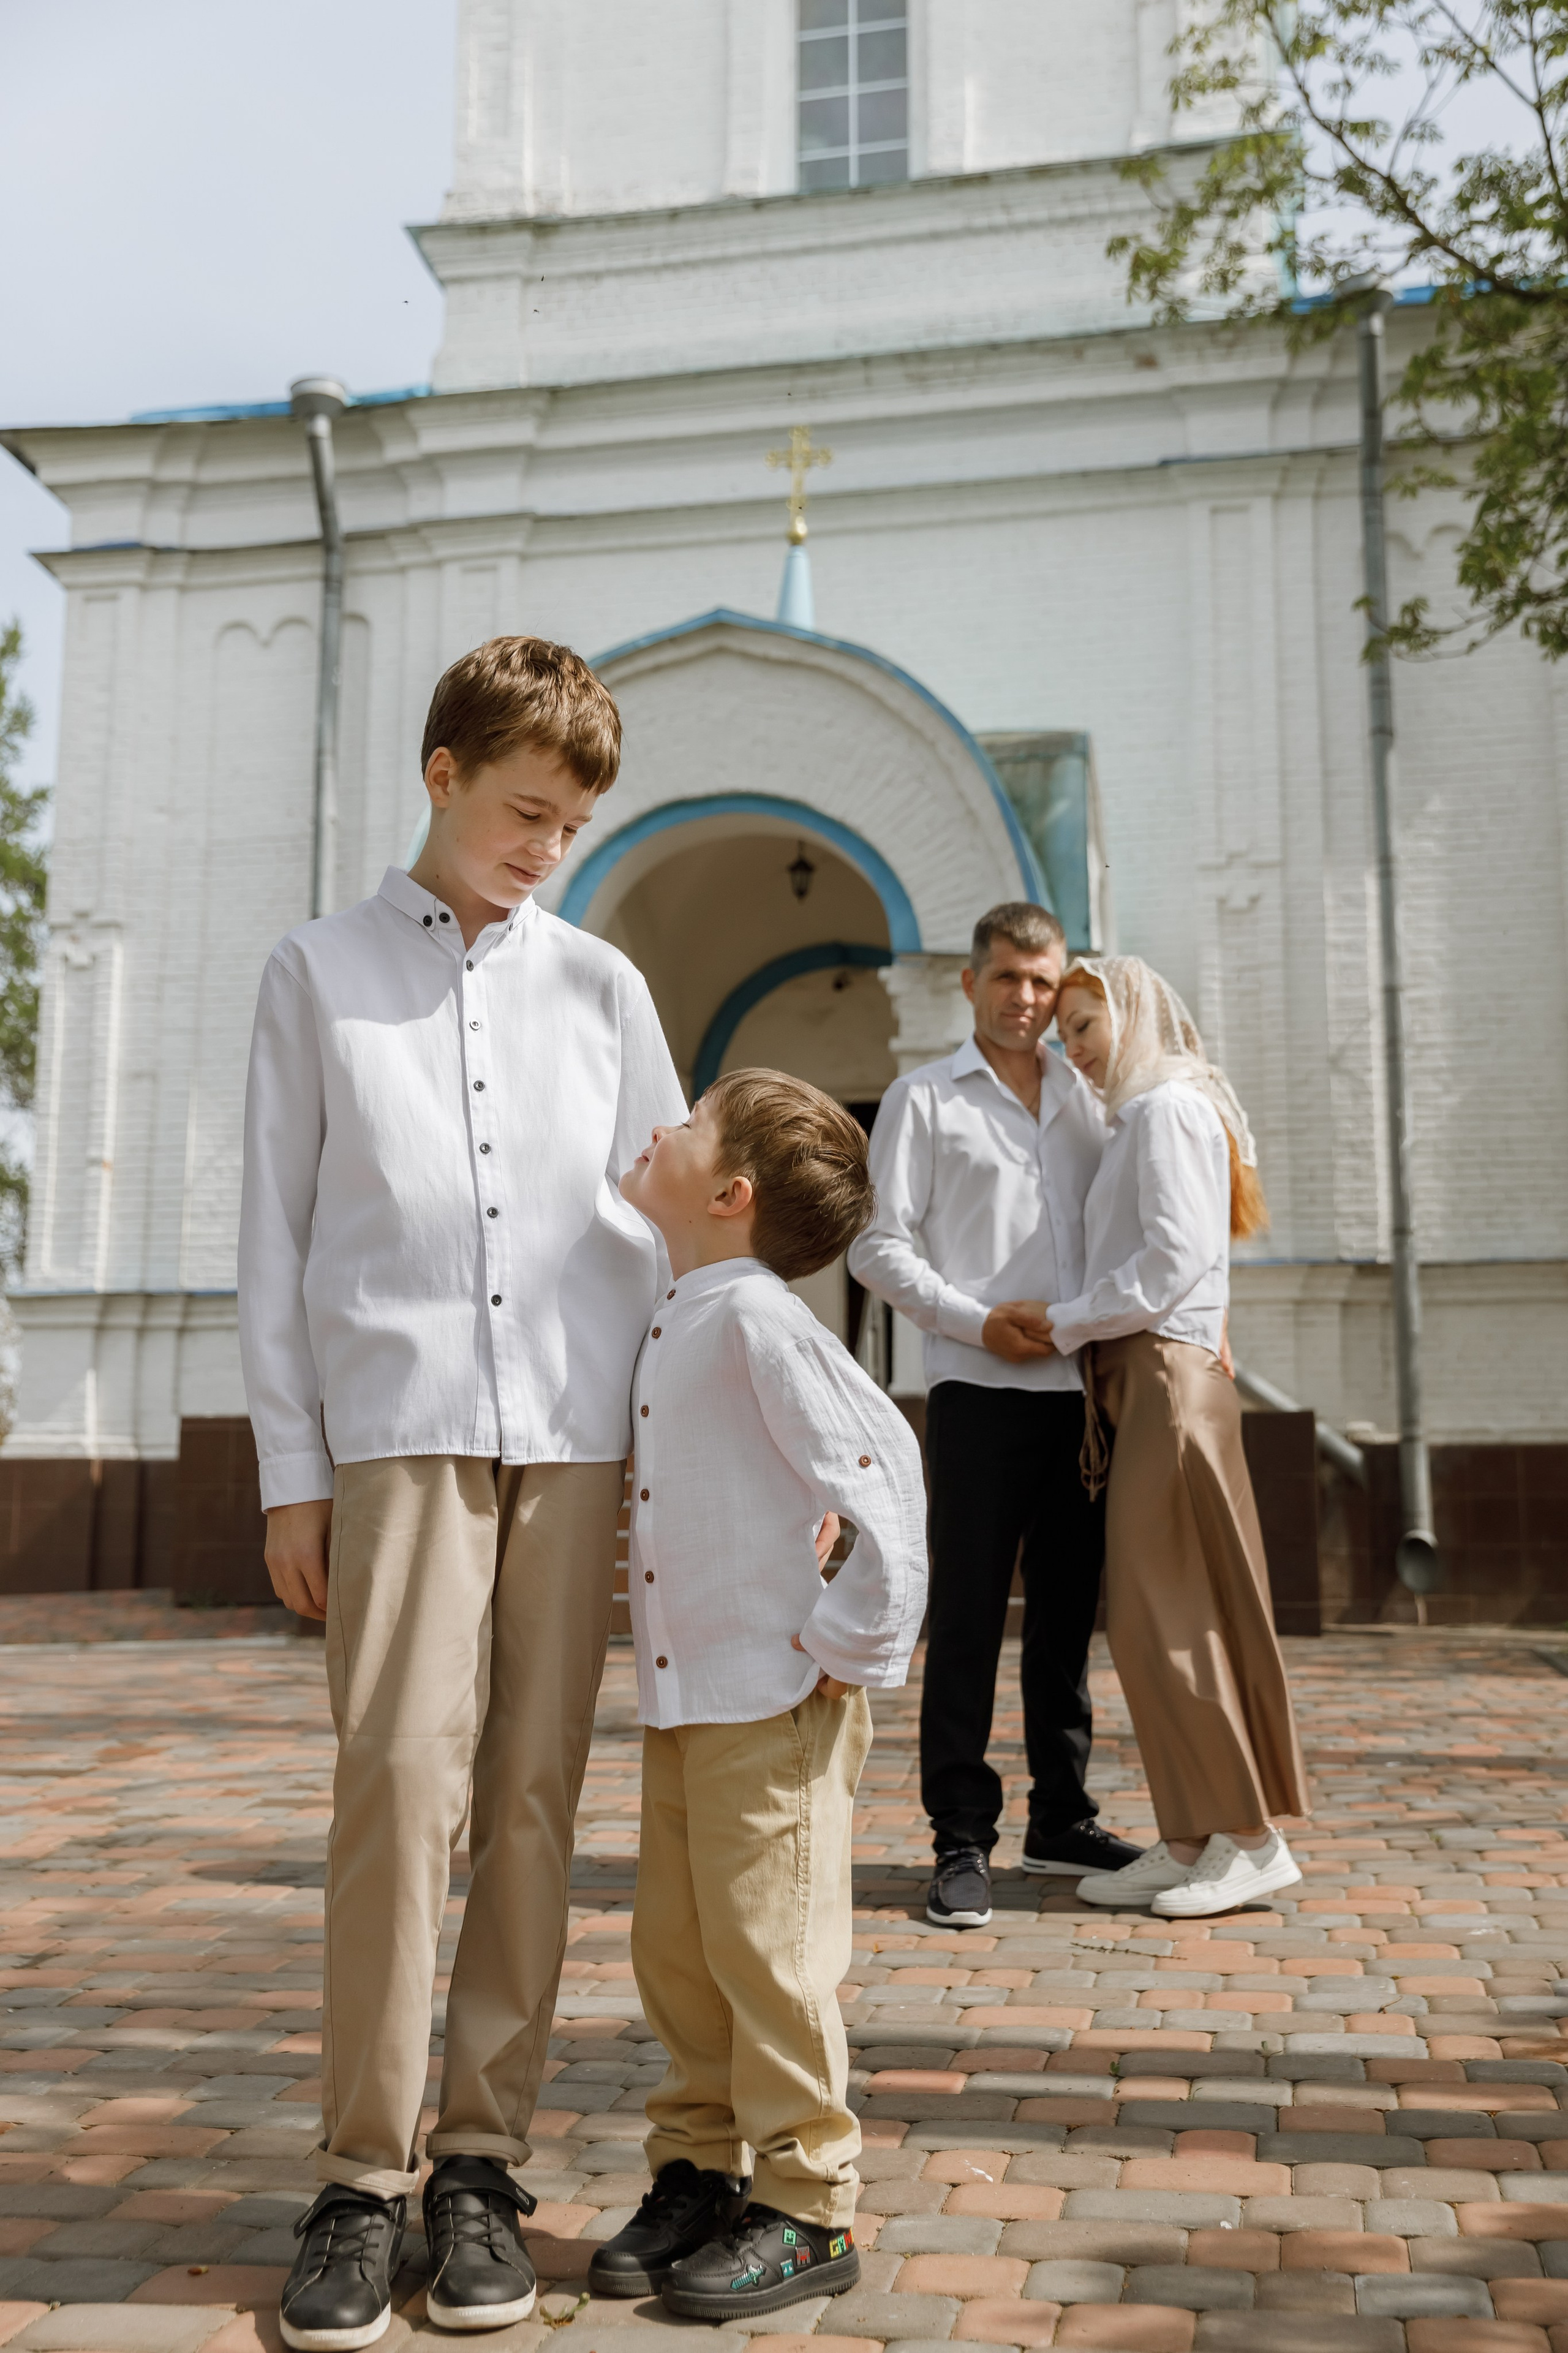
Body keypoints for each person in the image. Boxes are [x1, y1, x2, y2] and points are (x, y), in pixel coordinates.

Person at [239, 637, 687, 2352]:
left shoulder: (601, 990)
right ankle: (361, 2177)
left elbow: (667, 1224)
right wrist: (296, 1472)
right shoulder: (318, 973)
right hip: (401, 1435)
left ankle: (482, 2168)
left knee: (530, 1797)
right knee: (397, 1786)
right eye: (521, 808)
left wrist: (688, 1453)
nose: (543, 844)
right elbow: (273, 1240)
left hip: (574, 1442)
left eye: (570, 822)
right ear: (441, 776)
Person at [589, 1069, 928, 2321]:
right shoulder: (683, 1306)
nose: (656, 1127)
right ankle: (695, 2167)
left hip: (771, 1696)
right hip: (689, 1697)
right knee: (679, 1954)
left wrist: (849, 1639)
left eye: (685, 1125)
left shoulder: (755, 1322)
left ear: (727, 1193)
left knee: (770, 1955)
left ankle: (805, 2204)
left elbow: (885, 1472)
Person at [848, 903, 1141, 1933]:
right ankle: (960, 1837)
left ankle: (1062, 1818)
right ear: (970, 983)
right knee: (968, 1621)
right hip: (977, 1395)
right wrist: (980, 1323)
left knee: (1067, 1622)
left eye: (1044, 981)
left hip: (1085, 1401)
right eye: (1009, 977)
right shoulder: (923, 1099)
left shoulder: (1093, 1100)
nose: (1027, 997)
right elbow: (877, 1247)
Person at [1028, 954, 1310, 1919]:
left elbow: (1175, 1261)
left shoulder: (1164, 1112)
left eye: (1085, 1025)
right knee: (1156, 1616)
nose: (1073, 1048)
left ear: (1134, 1016)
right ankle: (1192, 1835)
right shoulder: (1150, 1112)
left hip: (1165, 1376)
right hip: (1151, 1377)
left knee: (1173, 1612)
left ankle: (1246, 1837)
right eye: (1063, 1033)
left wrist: (1065, 1318)